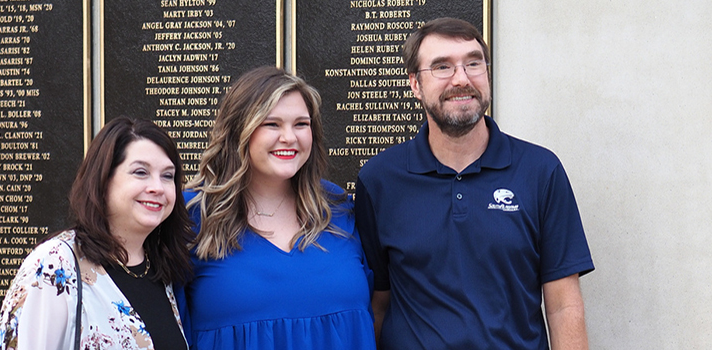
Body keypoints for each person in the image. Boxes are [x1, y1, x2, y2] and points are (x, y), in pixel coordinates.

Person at [355, 18, 595, 350]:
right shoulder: (379, 180)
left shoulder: (540, 171)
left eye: (473, 63)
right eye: (442, 67)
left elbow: (563, 305)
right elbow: (377, 305)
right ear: (414, 84)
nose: (461, 79)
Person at [183, 66, 375, 349]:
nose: (289, 137)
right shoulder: (194, 215)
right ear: (240, 130)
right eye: (272, 124)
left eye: (301, 124)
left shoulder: (337, 209)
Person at [0, 117, 195, 350]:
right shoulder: (55, 263)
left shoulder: (163, 270)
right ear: (103, 179)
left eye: (168, 176)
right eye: (140, 172)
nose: (157, 187)